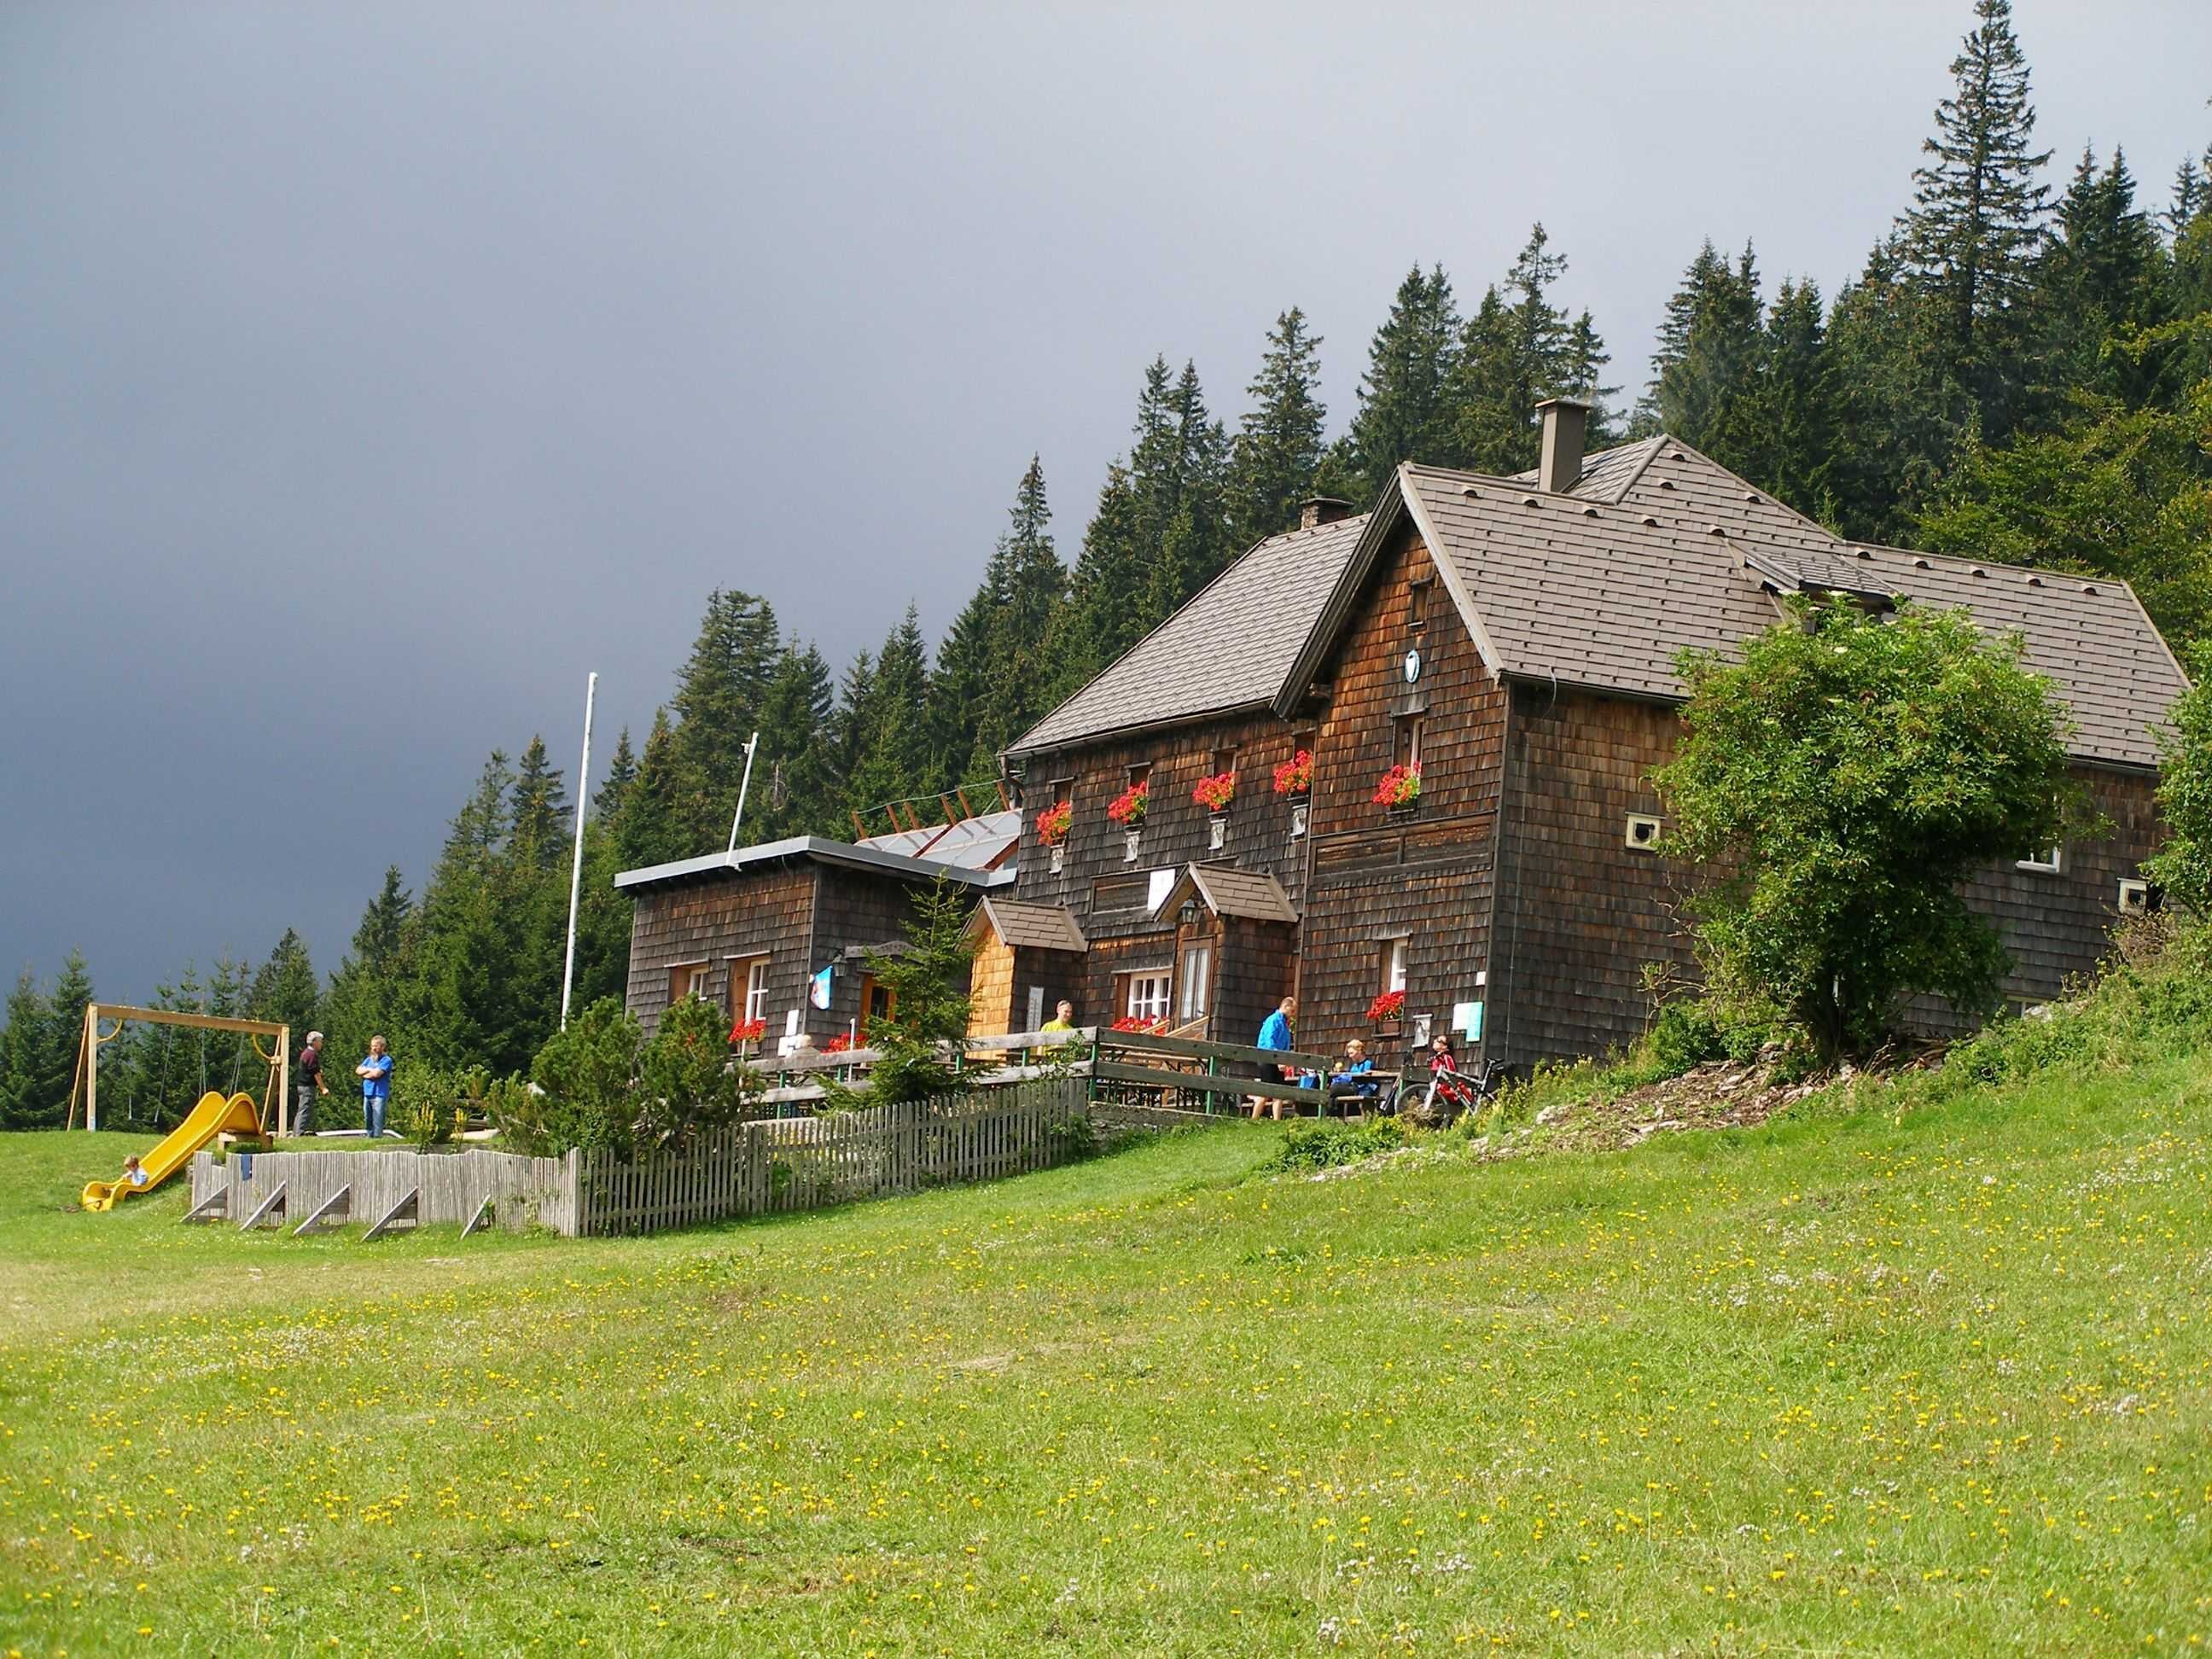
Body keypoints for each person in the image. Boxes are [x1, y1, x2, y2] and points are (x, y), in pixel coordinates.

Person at [1249, 995, 1296, 1121]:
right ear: (1286, 1007)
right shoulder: (1273, 1020)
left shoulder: (1285, 1024)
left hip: (1279, 1060)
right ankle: (1254, 1119)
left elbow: (1286, 1044)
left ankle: (1276, 1120)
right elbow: (1270, 1041)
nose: (1293, 1014)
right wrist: (1278, 1060)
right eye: (1292, 1011)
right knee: (1265, 1091)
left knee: (1279, 1092)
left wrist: (1285, 1059)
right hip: (1267, 1058)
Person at [356, 1036, 394, 1138]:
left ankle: (377, 1137)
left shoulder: (387, 1060)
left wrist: (366, 1073)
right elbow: (358, 1070)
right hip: (367, 1093)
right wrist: (370, 1070)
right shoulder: (369, 1059)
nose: (373, 1048)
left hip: (379, 1094)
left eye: (376, 1046)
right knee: (367, 1117)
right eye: (372, 1046)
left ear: (383, 1047)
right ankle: (369, 1136)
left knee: (377, 1118)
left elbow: (377, 1074)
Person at [295, 1030, 329, 1136]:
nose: (321, 1044)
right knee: (305, 1109)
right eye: (320, 1041)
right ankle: (299, 1133)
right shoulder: (311, 1055)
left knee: (302, 1108)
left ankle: (297, 1131)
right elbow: (316, 1074)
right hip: (307, 1087)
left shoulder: (306, 1053)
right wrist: (323, 1088)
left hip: (302, 1085)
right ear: (314, 1042)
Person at [1331, 1037, 1379, 1109]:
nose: (1350, 1056)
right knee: (1333, 1089)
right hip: (1353, 1088)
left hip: (1361, 1089)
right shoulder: (1354, 1066)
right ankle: (1333, 1111)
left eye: (1352, 1053)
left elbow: (1363, 1078)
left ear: (1359, 1051)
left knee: (1335, 1089)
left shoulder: (1368, 1064)